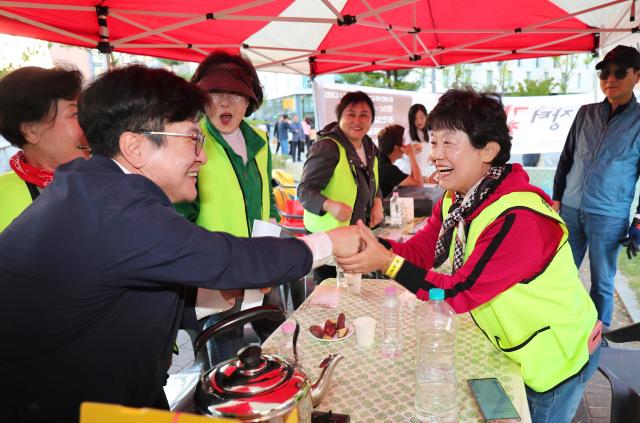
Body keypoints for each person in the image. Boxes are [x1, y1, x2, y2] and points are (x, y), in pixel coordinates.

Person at [0, 65, 361, 423]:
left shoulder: (95, 187)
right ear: (136, 147)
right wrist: (332, 242)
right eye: (193, 137)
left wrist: (221, 296)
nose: (202, 156)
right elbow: (226, 257)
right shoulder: (113, 204)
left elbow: (127, 294)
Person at [339, 89, 600, 423]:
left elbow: (456, 293)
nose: (435, 154)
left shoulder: (518, 217)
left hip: (556, 357)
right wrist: (370, 247)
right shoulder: (458, 200)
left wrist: (385, 262)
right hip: (515, 347)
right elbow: (419, 253)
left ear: (488, 150)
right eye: (433, 142)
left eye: (449, 143)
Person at [182, 50, 285, 363]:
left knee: (281, 341)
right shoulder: (191, 142)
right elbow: (179, 216)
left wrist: (269, 250)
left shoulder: (260, 142)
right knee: (225, 357)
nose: (224, 102)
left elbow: (267, 199)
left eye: (235, 94)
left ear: (249, 101)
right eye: (214, 93)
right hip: (216, 276)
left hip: (260, 264)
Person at [553, 44, 640, 329]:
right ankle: (561, 327)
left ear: (637, 75)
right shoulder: (585, 113)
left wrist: (639, 220)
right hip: (570, 208)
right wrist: (556, 199)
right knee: (560, 274)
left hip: (609, 215)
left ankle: (598, 337)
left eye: (618, 73)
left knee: (603, 282)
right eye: (604, 73)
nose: (610, 79)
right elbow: (566, 159)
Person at [298, 91, 383, 282]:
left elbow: (373, 180)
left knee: (356, 294)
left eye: (364, 115)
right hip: (329, 241)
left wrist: (377, 200)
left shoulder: (368, 145)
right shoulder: (327, 147)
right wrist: (329, 205)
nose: (357, 121)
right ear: (340, 117)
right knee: (332, 298)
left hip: (356, 236)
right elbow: (304, 191)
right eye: (351, 114)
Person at [0, 66, 89, 231]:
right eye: (75, 114)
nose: (89, 123)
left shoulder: (110, 179)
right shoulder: (3, 194)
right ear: (30, 130)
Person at [377, 123, 424, 198]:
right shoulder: (388, 169)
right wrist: (411, 155)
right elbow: (419, 185)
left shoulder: (379, 161)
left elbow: (414, 181)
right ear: (396, 147)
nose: (407, 144)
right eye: (404, 141)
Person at [396, 103, 436, 181]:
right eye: (415, 119)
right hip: (409, 172)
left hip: (426, 173)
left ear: (426, 117)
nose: (419, 121)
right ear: (411, 120)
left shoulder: (430, 133)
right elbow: (402, 152)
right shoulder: (407, 133)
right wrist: (410, 152)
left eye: (422, 117)